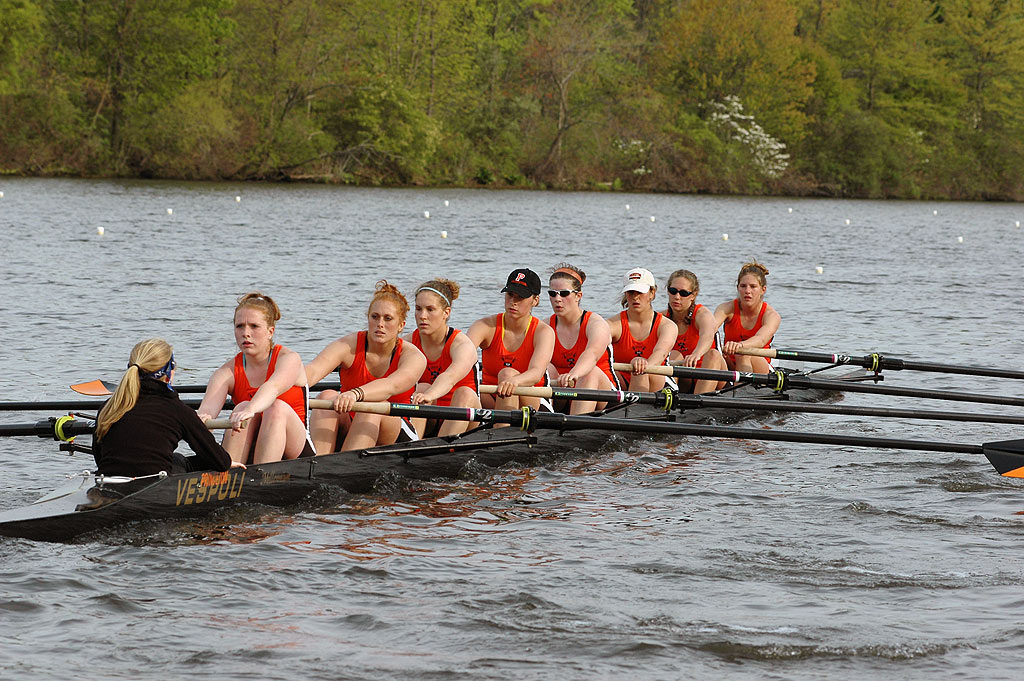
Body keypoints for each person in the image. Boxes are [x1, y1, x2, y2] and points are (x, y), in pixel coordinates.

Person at [306, 281, 427, 452]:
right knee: (326, 396)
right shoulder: (348, 345)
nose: (380, 324)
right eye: (375, 317)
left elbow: (390, 385)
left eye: (388, 319)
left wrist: (355, 394)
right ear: (368, 318)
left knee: (372, 407)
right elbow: (311, 373)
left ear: (401, 325)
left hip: (395, 429)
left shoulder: (413, 356)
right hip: (354, 419)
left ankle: (342, 467)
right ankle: (316, 464)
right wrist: (272, 388)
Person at [93, 338, 239, 477]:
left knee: (174, 459)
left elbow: (100, 458)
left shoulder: (109, 407)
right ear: (169, 372)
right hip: (156, 490)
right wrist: (204, 432)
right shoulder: (178, 410)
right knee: (180, 460)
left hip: (107, 480)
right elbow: (221, 462)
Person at [198, 292, 313, 464]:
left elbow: (272, 388)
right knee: (241, 407)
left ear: (270, 332)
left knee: (274, 408)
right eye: (239, 326)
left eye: (254, 326)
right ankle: (229, 478)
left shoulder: (289, 359)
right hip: (251, 444)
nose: (246, 333)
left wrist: (250, 410)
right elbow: (206, 411)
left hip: (296, 449)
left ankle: (261, 479)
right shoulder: (226, 372)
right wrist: (202, 421)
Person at [467, 268, 555, 415]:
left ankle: (501, 432)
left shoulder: (543, 332)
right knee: (465, 391)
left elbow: (536, 372)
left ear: (535, 301)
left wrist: (514, 381)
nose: (513, 302)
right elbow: (462, 358)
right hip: (490, 394)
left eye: (520, 297)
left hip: (532, 398)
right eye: (510, 295)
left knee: (507, 374)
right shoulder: (484, 326)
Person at [406, 278, 481, 437]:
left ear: (446, 312)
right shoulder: (407, 343)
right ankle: (411, 446)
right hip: (430, 415)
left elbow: (449, 377)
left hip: (466, 418)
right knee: (421, 388)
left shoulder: (462, 345)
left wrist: (430, 395)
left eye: (430, 309)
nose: (422, 316)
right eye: (418, 309)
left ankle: (442, 449)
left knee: (464, 393)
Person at [545, 263, 618, 414]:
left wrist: (574, 374)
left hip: (601, 396)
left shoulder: (596, 324)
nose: (557, 299)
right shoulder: (545, 326)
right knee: (546, 368)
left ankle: (576, 430)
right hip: (561, 392)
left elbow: (592, 354)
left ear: (578, 296)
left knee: (589, 372)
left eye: (564, 293)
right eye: (553, 294)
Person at [609, 267, 676, 392]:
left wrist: (642, 364)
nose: (635, 297)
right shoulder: (613, 324)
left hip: (655, 377)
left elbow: (660, 352)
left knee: (640, 371)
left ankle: (634, 408)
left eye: (640, 292)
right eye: (631, 292)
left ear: (652, 293)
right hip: (622, 378)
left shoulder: (667, 326)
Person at [664, 269, 727, 394]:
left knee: (713, 354)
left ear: (693, 295)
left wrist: (696, 354)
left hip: (712, 374)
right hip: (684, 377)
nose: (677, 297)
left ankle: (699, 401)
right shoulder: (662, 318)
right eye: (673, 291)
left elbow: (708, 335)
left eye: (683, 293)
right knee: (675, 354)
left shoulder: (702, 314)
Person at [713, 261, 780, 374]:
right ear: (738, 288)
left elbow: (761, 339)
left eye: (753, 287)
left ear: (763, 290)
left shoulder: (771, 315)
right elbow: (710, 329)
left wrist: (740, 346)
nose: (747, 291)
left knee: (743, 353)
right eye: (743, 286)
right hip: (729, 363)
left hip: (760, 367)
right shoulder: (725, 308)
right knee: (713, 354)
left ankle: (742, 390)